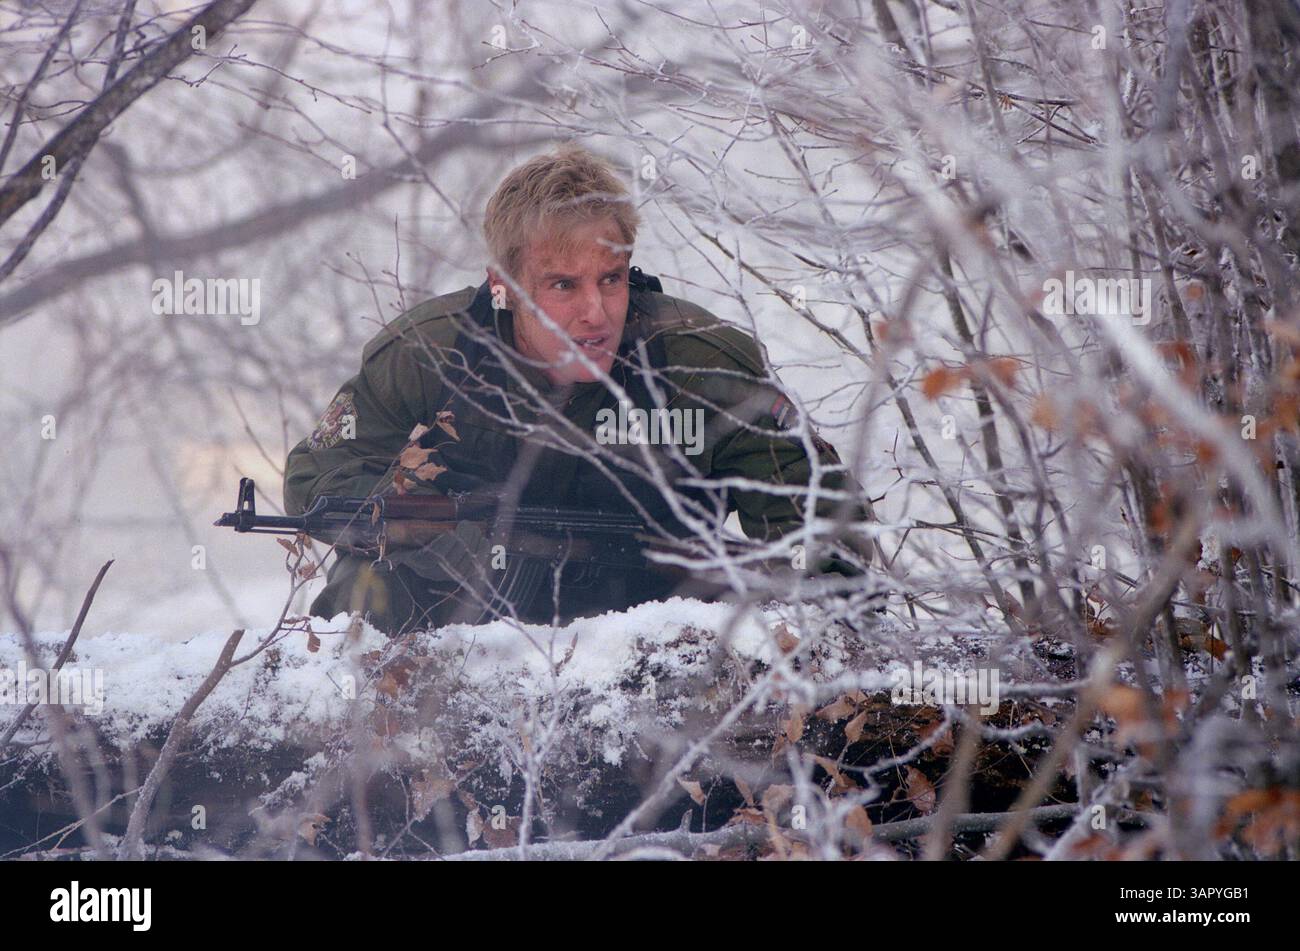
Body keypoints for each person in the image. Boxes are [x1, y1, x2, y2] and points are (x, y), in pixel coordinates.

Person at [283, 143, 871, 634]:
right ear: (503, 287)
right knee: (364, 587)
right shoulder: (428, 352)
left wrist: (768, 609)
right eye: (562, 285)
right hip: (458, 614)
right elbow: (317, 481)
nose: (597, 313)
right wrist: (425, 527)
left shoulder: (700, 363)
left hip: (657, 621)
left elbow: (823, 537)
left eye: (611, 279)